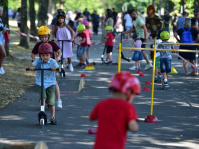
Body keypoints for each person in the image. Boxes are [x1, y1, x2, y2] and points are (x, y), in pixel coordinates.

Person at [89, 71, 140, 149]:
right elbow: (133, 128)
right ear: (128, 92)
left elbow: (91, 117)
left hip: (99, 146)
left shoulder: (102, 104)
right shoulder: (128, 107)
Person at [29, 43, 61, 125]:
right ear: (40, 55)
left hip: (50, 83)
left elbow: (59, 69)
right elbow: (32, 65)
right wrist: (31, 67)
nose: (45, 57)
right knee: (43, 98)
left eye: (47, 55)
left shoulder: (53, 61)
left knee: (51, 101)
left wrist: (56, 68)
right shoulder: (39, 61)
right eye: (42, 55)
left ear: (50, 54)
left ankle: (53, 117)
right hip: (41, 82)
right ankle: (42, 112)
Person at [31, 26, 63, 108]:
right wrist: (34, 60)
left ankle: (59, 100)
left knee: (54, 83)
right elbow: (33, 53)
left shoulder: (52, 44)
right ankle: (44, 100)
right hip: (42, 65)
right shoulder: (38, 45)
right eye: (42, 37)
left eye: (45, 37)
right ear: (39, 37)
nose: (44, 38)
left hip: (51, 66)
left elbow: (59, 52)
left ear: (48, 36)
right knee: (42, 82)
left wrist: (58, 58)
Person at [0, 6, 6, 74]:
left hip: (2, 38)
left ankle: (0, 67)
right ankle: (0, 67)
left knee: (1, 54)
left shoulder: (0, 19)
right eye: (2, 11)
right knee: (4, 54)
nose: (2, 12)